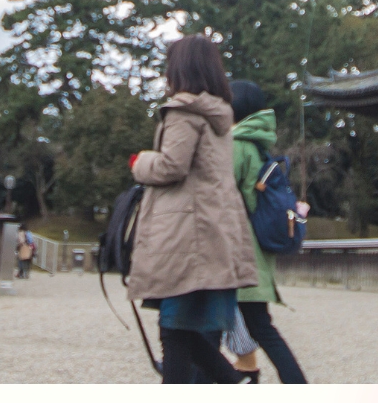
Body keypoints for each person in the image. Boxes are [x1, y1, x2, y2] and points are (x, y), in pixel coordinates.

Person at [125, 35, 258, 384]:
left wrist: (140, 163)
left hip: (184, 234)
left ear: (179, 69)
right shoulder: (218, 116)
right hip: (211, 231)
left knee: (174, 330)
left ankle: (230, 383)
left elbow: (172, 166)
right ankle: (233, 382)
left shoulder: (184, 113)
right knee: (182, 329)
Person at [226, 80, 308, 384]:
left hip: (238, 251)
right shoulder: (256, 144)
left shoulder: (236, 145)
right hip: (253, 250)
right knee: (259, 325)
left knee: (212, 324)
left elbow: (218, 193)